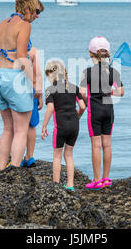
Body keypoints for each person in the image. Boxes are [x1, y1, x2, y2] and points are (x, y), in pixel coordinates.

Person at [0, 0, 44, 170]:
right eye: (36, 11)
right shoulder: (24, 25)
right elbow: (21, 57)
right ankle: (15, 169)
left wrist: (1, 73)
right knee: (21, 130)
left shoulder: (2, 23)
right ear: (27, 9)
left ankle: (3, 168)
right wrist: (35, 84)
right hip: (15, 78)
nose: (37, 15)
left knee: (7, 128)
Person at [79, 36, 124, 190]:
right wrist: (109, 90)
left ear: (91, 54)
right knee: (107, 145)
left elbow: (83, 93)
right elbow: (121, 92)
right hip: (109, 110)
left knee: (96, 146)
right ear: (107, 54)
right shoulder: (113, 71)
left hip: (95, 111)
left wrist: (85, 99)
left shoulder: (87, 72)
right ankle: (106, 178)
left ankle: (97, 179)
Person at [41, 60, 86, 191]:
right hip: (74, 125)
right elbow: (83, 106)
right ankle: (70, 184)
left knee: (57, 156)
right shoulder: (74, 87)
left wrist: (44, 126)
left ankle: (56, 185)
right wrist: (77, 116)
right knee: (69, 154)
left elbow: (50, 108)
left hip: (60, 126)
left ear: (52, 74)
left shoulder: (50, 90)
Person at [21, 45, 43, 168]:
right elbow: (37, 73)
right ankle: (29, 157)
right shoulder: (33, 51)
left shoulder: (7, 48)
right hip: (30, 90)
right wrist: (39, 92)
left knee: (15, 125)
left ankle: (17, 158)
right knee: (31, 124)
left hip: (12, 89)